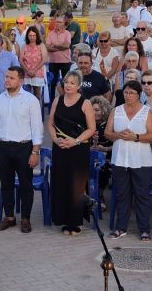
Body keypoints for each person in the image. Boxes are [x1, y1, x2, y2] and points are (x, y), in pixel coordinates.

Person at [0, 66, 43, 233]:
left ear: (20, 81)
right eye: (6, 77)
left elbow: (37, 128)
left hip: (24, 147)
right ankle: (9, 217)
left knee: (26, 185)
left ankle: (25, 218)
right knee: (6, 184)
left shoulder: (30, 100)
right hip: (3, 147)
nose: (6, 80)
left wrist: (35, 152)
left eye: (11, 78)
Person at [106, 80, 152, 240]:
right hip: (120, 159)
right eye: (126, 92)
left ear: (138, 94)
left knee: (142, 195)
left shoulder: (146, 111)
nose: (128, 96)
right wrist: (119, 135)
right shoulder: (116, 110)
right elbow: (107, 132)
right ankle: (121, 227)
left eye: (131, 93)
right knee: (122, 194)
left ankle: (144, 229)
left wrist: (135, 137)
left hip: (141, 160)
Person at [48, 70, 96, 235]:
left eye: (72, 83)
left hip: (78, 150)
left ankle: (75, 222)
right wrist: (56, 140)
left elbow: (91, 129)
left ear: (78, 86)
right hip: (60, 148)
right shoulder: (57, 100)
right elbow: (50, 124)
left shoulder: (85, 103)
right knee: (61, 183)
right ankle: (63, 219)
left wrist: (74, 141)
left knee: (76, 185)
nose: (68, 85)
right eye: (66, 82)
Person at [46, 17, 72, 101]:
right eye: (56, 22)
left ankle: (66, 100)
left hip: (65, 61)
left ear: (64, 24)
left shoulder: (67, 33)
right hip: (53, 61)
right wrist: (61, 47)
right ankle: (52, 100)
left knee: (66, 83)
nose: (57, 23)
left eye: (60, 22)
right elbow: (48, 47)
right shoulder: (50, 33)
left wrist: (55, 45)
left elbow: (67, 46)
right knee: (52, 83)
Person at [20, 26, 48, 102]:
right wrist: (27, 70)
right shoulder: (24, 45)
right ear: (27, 36)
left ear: (37, 36)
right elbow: (21, 59)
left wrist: (34, 70)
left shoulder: (41, 45)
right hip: (27, 72)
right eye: (30, 35)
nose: (32, 37)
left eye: (33, 35)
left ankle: (37, 111)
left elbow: (44, 59)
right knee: (27, 94)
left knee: (37, 94)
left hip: (38, 72)